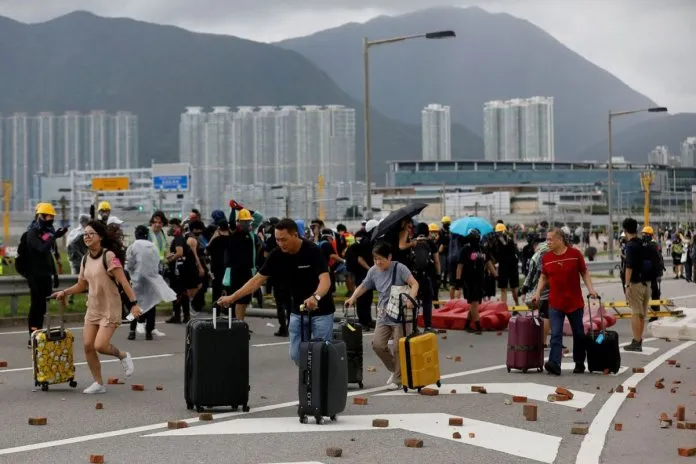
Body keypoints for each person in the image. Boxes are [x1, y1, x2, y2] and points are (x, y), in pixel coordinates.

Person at [217, 218, 334, 364]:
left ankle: (322, 384)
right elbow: (256, 280)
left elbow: (325, 280)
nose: (280, 243)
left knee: (322, 355)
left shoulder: (312, 250)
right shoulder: (277, 255)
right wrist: (232, 297)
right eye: (277, 240)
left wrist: (315, 297)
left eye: (284, 239)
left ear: (295, 235)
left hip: (321, 311)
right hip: (298, 311)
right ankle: (310, 382)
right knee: (296, 355)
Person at [51, 220, 142, 394]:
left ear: (100, 237)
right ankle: (98, 383)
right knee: (87, 346)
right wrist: (65, 292)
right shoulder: (85, 258)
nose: (87, 236)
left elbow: (123, 282)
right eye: (85, 234)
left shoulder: (108, 256)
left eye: (90, 233)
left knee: (100, 345)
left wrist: (134, 304)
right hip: (93, 308)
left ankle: (122, 355)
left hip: (110, 308)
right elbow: (81, 285)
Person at [345, 242, 419, 390]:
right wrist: (353, 297)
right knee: (377, 345)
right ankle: (397, 371)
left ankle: (397, 379)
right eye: (375, 259)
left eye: (381, 259)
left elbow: (415, 284)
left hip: (400, 315)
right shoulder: (373, 271)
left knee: (399, 347)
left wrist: (411, 299)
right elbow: (363, 286)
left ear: (389, 257)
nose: (378, 262)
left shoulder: (400, 268)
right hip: (383, 315)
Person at [533, 228, 598, 376]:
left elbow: (584, 272)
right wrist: (537, 294)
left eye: (550, 239)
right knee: (555, 334)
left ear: (560, 240)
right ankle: (555, 364)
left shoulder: (575, 255)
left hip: (574, 303)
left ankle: (580, 363)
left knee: (579, 334)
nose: (547, 242)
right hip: (555, 303)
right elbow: (543, 277)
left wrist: (591, 289)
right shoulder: (547, 257)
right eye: (547, 239)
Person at [23, 203, 67, 347]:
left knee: (42, 306)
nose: (50, 220)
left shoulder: (48, 232)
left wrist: (55, 274)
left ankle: (39, 333)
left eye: (52, 217)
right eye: (48, 216)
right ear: (40, 216)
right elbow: (41, 248)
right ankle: (32, 334)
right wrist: (54, 236)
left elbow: (49, 255)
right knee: (36, 305)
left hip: (46, 275)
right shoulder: (32, 233)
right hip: (34, 275)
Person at [125, 225, 176, 340]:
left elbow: (129, 264)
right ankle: (149, 332)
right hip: (151, 280)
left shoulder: (133, 246)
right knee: (151, 305)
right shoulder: (153, 246)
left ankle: (132, 331)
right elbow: (157, 262)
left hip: (137, 280)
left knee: (135, 305)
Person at [623, 218, 659, 352]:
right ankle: (639, 339)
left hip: (636, 283)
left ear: (625, 230)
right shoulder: (643, 243)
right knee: (642, 314)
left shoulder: (630, 246)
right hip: (647, 283)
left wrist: (627, 286)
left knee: (635, 313)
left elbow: (629, 267)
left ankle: (636, 341)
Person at [455, 229, 493, 335]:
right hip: (469, 280)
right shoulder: (465, 250)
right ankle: (478, 326)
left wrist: (495, 275)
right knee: (474, 303)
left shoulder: (482, 249)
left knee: (474, 304)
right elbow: (460, 266)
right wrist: (458, 280)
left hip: (480, 280)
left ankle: (467, 324)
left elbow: (488, 262)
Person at [165, 218, 201, 324]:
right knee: (183, 292)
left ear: (175, 227)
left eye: (171, 226)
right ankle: (185, 315)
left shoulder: (178, 237)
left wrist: (170, 259)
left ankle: (177, 316)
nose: (169, 229)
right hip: (183, 269)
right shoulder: (180, 237)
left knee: (176, 293)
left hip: (178, 270)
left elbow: (180, 253)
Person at [411, 222, 440, 330]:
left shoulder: (412, 242)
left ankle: (414, 325)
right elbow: (437, 261)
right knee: (427, 300)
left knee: (414, 299)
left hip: (413, 276)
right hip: (426, 275)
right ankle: (428, 325)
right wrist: (438, 275)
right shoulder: (431, 243)